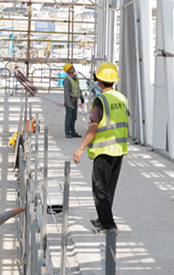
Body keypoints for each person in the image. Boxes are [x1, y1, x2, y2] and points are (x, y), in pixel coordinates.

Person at [73, 62, 128, 234]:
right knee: (108, 188)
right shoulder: (122, 98)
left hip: (104, 150)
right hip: (118, 149)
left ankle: (109, 225)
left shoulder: (101, 100)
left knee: (100, 188)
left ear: (99, 81)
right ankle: (102, 219)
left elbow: (94, 126)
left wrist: (81, 148)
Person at [62, 62, 85, 138]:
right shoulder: (67, 80)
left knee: (74, 117)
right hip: (70, 102)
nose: (73, 68)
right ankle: (67, 132)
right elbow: (66, 93)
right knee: (69, 117)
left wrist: (81, 97)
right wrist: (68, 103)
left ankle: (73, 131)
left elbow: (78, 88)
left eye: (73, 67)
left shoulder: (75, 78)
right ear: (68, 70)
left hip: (75, 101)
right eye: (71, 67)